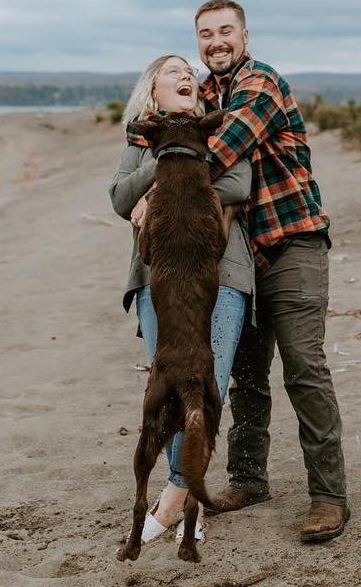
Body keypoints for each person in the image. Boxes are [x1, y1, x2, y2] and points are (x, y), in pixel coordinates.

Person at [194, 0, 349, 543]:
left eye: (225, 31)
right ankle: (248, 480)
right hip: (240, 256)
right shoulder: (203, 92)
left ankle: (329, 497)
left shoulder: (260, 83)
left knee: (304, 368)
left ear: (244, 34)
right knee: (247, 375)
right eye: (206, 34)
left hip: (292, 243)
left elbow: (218, 149)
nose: (216, 42)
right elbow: (166, 131)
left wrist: (164, 178)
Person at [107, 54, 254, 543]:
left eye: (189, 73)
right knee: (169, 385)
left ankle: (175, 497)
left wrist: (180, 168)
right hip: (158, 276)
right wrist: (161, 163)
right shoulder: (140, 140)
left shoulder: (219, 134)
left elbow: (240, 182)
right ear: (153, 93)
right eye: (173, 72)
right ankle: (189, 497)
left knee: (206, 379)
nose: (185, 76)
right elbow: (119, 197)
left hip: (221, 272)